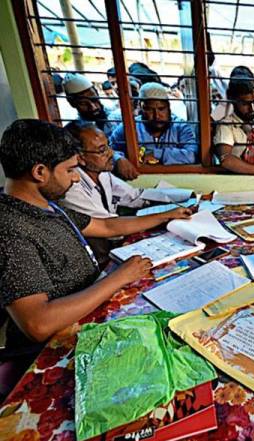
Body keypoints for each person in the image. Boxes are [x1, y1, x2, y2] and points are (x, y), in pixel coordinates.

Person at [0, 119, 194, 355]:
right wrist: (118, 277)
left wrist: (166, 215)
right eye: (70, 170)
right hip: (57, 346)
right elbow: (38, 324)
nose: (75, 178)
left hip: (92, 303)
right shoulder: (10, 230)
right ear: (40, 172)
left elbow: (106, 226)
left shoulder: (46, 207)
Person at [62, 73, 138, 180]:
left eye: (94, 99)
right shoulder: (75, 132)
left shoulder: (118, 117)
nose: (93, 107)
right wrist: (117, 159)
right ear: (72, 103)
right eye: (83, 103)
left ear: (97, 92)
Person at [62, 121, 146, 218]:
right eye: (102, 150)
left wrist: (167, 195)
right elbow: (107, 225)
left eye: (108, 145)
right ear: (81, 158)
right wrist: (161, 217)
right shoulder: (72, 188)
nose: (111, 153)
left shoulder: (102, 173)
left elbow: (134, 195)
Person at [110, 82, 197, 165]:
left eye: (161, 109)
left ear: (169, 107)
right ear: (141, 108)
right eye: (149, 110)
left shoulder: (180, 127)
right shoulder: (129, 128)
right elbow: (109, 150)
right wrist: (119, 159)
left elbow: (191, 155)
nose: (157, 116)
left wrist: (156, 154)